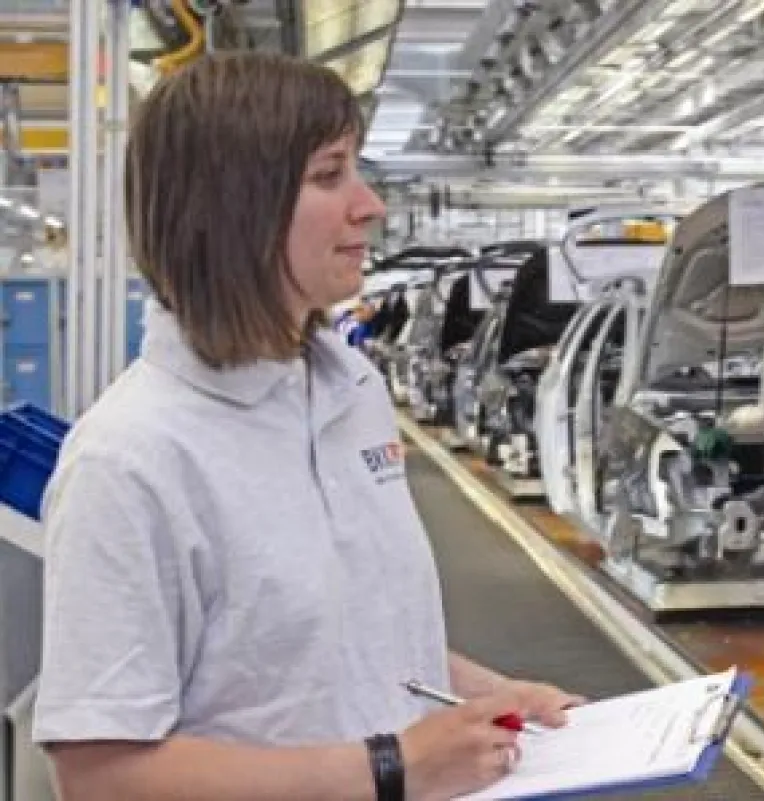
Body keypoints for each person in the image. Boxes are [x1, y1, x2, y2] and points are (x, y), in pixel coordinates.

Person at [33, 52, 582, 801]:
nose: (370, 205)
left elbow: (347, 634)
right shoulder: (129, 460)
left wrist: (497, 701)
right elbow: (102, 776)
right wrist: (395, 766)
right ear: (237, 207)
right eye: (329, 176)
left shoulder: (349, 390)